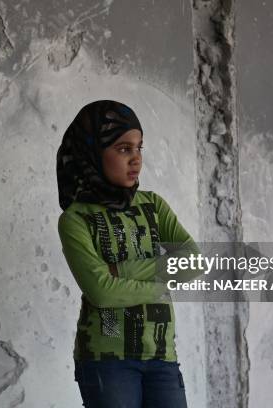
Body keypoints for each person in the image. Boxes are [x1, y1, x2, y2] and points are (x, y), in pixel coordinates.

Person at [56, 100, 199, 407]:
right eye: (123, 149)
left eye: (139, 148)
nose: (136, 160)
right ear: (93, 154)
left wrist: (120, 272)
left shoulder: (153, 205)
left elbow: (193, 262)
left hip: (162, 356)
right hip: (107, 360)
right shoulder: (76, 219)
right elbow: (102, 293)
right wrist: (163, 283)